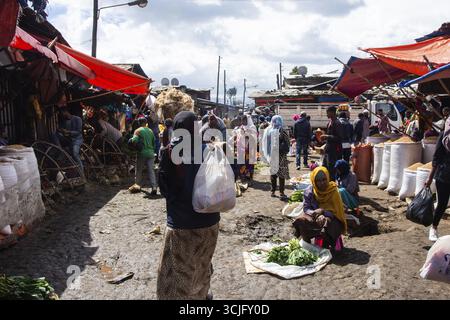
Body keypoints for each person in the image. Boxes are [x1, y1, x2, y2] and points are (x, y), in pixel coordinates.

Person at [157, 111, 220, 300]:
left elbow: (165, 190)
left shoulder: (170, 151)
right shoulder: (210, 149)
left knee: (175, 278)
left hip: (182, 227)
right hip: (210, 223)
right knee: (201, 268)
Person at [293, 166, 347, 251]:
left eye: (324, 179)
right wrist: (315, 213)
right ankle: (308, 247)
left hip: (333, 219)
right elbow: (306, 208)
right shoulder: (309, 191)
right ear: (314, 181)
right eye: (318, 181)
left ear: (328, 178)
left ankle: (325, 247)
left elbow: (337, 212)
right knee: (301, 221)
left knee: (326, 223)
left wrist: (323, 212)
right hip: (315, 217)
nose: (322, 183)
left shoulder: (333, 191)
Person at [425, 128, 450, 242]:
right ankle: (434, 228)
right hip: (444, 175)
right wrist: (430, 178)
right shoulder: (444, 135)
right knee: (442, 204)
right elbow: (436, 158)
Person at [129, 117, 157, 194]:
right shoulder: (150, 130)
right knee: (151, 170)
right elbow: (154, 142)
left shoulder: (138, 131)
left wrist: (133, 144)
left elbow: (134, 140)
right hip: (151, 153)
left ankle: (137, 185)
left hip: (141, 153)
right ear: (146, 122)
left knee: (139, 170)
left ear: (139, 123)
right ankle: (154, 187)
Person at [51, 107, 83, 172]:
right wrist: (60, 130)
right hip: (68, 139)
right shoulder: (64, 121)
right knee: (54, 134)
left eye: (61, 113)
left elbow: (79, 132)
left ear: (65, 112)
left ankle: (82, 172)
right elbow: (61, 130)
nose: (61, 115)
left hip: (77, 139)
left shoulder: (77, 119)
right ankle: (59, 149)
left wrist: (68, 132)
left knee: (75, 153)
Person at [267, 115, 290, 201]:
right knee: (281, 174)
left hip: (273, 155)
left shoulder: (269, 131)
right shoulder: (283, 131)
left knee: (273, 174)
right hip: (281, 156)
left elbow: (267, 144)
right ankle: (281, 192)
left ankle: (273, 191)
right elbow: (288, 143)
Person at [321, 106, 344, 181]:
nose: (326, 114)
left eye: (327, 112)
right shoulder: (330, 122)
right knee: (325, 167)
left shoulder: (337, 123)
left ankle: (332, 186)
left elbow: (339, 138)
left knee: (332, 170)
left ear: (332, 113)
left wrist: (327, 136)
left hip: (334, 150)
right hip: (328, 149)